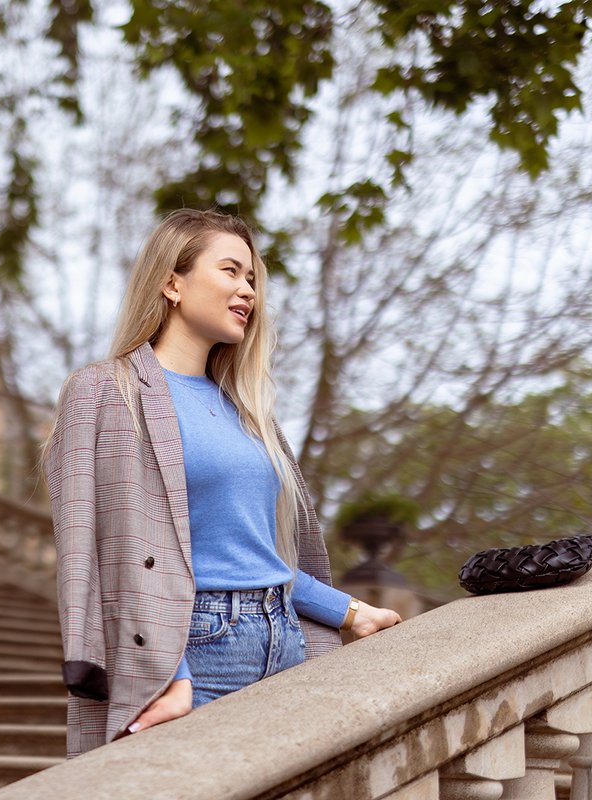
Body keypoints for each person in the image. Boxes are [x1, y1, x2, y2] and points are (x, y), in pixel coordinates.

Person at [41, 208, 401, 759]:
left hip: (286, 642)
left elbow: (261, 557)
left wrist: (353, 612)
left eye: (252, 278)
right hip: (193, 652)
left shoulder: (250, 410)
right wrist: (168, 673)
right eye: (230, 271)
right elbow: (104, 552)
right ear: (172, 283)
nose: (248, 290)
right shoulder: (106, 392)